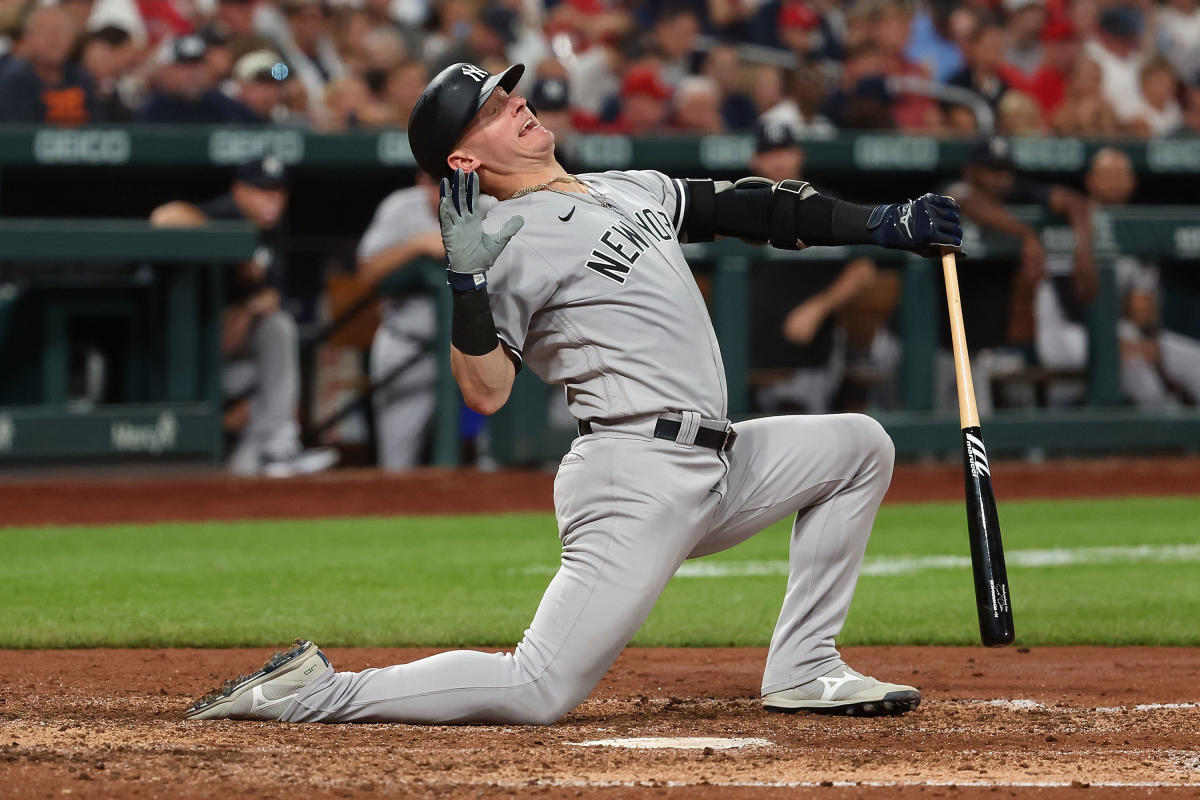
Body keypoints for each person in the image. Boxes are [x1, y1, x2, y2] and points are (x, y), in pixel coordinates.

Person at [185, 61, 962, 725]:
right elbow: (485, 393)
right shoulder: (509, 237)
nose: (517, 104)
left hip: (719, 464)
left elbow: (750, 206)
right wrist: (466, 282)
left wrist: (883, 220)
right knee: (537, 688)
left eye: (509, 95)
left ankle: (803, 666)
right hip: (636, 475)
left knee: (859, 445)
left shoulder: (618, 186)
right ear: (462, 161)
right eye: (491, 110)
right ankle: (315, 693)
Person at [151, 156, 339, 478]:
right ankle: (273, 450)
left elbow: (264, 302)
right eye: (263, 191)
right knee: (273, 347)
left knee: (277, 329)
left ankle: (264, 458)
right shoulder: (227, 214)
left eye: (279, 192)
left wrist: (258, 304)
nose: (273, 200)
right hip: (184, 368)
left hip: (235, 367)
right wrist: (229, 247)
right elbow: (164, 217)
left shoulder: (273, 228)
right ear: (239, 190)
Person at [939, 136, 1096, 415]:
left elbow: (1076, 202)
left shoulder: (1015, 192)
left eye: (1006, 171)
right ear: (971, 172)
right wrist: (1026, 234)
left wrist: (1082, 253)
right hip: (928, 345)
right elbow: (967, 202)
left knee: (976, 434)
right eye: (991, 171)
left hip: (975, 348)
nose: (1001, 179)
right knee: (926, 441)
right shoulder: (954, 191)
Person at [1035, 148, 1200, 408]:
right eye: (1108, 174)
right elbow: (1072, 303)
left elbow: (1142, 310)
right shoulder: (1068, 222)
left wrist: (1149, 340)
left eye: (1122, 174)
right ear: (1090, 180)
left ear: (1133, 183)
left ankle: (1180, 434)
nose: (1115, 181)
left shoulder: (1138, 230)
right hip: (1065, 332)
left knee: (1192, 359)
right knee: (1128, 361)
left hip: (1122, 331)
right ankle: (1165, 433)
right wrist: (1118, 339)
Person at [748, 122, 881, 415]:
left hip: (808, 356)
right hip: (747, 354)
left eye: (785, 151)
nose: (779, 160)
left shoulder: (823, 204)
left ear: (799, 155)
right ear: (754, 160)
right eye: (769, 153)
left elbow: (863, 269)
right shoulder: (737, 206)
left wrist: (817, 308)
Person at [354, 171, 447, 470]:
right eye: (436, 184)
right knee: (397, 464)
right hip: (408, 345)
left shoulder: (488, 205)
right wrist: (417, 244)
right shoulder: (400, 207)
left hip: (472, 352)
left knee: (493, 459)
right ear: (423, 182)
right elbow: (366, 272)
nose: (444, 192)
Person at [0, 5, 101, 124]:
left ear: (74, 39)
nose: (53, 39)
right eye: (44, 31)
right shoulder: (9, 80)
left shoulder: (84, 78)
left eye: (61, 31)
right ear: (27, 38)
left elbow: (104, 127)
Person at [138, 34, 261, 123]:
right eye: (185, 65)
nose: (193, 73)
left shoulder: (221, 106)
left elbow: (255, 129)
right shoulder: (151, 111)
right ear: (166, 70)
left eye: (198, 65)